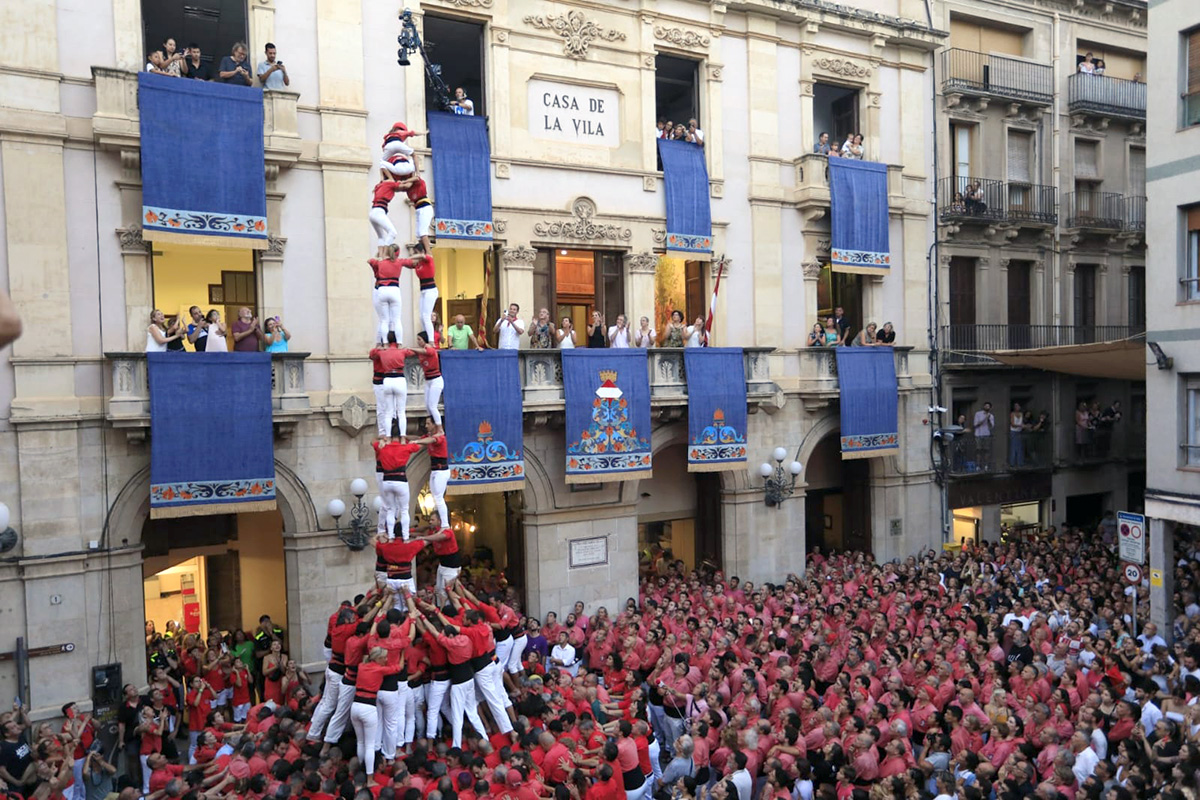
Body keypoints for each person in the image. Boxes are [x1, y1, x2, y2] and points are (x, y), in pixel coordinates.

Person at [370, 333, 412, 442]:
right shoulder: (400, 351)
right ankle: (402, 436)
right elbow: (411, 352)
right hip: (398, 378)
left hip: (386, 380)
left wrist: (379, 348)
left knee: (387, 411)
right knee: (401, 411)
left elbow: (371, 354)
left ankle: (387, 436)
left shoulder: (382, 352)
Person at [394, 172, 434, 255]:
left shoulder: (418, 181)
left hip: (425, 207)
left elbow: (416, 178)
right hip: (419, 208)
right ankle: (422, 251)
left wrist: (404, 181)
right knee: (418, 234)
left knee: (423, 232)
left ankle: (429, 253)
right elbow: (400, 187)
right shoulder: (409, 188)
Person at [421, 416, 450, 529]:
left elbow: (431, 440)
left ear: (434, 424)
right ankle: (441, 521)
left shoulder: (440, 437)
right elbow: (421, 438)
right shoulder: (430, 436)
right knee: (435, 497)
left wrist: (417, 441)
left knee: (438, 497)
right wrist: (405, 438)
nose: (426, 426)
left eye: (428, 423)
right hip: (435, 471)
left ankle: (445, 524)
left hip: (441, 471)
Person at [369, 167, 405, 258]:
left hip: (373, 212)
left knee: (381, 236)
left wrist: (383, 175)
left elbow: (382, 169)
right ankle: (384, 255)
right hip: (379, 211)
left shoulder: (379, 185)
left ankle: (380, 256)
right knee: (392, 232)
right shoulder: (390, 183)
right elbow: (404, 186)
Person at [406, 251, 438, 342]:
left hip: (431, 290)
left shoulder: (428, 259)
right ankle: (426, 337)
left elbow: (423, 255)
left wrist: (412, 256)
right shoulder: (418, 264)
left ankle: (431, 341)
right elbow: (408, 264)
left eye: (416, 252)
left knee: (426, 316)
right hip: (423, 290)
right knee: (421, 316)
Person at [416, 331, 443, 431]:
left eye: (419, 339)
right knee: (427, 406)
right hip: (428, 380)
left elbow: (428, 351)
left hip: (436, 380)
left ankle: (440, 429)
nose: (418, 342)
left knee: (432, 406)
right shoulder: (421, 350)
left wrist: (411, 348)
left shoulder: (430, 349)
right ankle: (432, 426)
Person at [973, 401, 995, 468]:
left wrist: (988, 419)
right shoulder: (978, 414)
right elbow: (975, 424)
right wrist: (985, 418)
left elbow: (992, 426)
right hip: (978, 434)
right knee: (978, 450)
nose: (987, 407)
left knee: (986, 450)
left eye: (988, 406)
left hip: (986, 434)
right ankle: (978, 465)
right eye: (986, 406)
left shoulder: (991, 416)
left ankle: (986, 465)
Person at [1009, 401, 1026, 468]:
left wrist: (1025, 426)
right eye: (1015, 406)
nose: (1017, 407)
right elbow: (1013, 424)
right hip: (1013, 431)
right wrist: (1020, 426)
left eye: (1018, 406)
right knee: (1014, 447)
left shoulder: (1021, 414)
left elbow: (1021, 423)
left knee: (1019, 448)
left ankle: (1020, 463)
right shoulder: (1012, 414)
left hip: (1019, 431)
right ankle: (1012, 463)